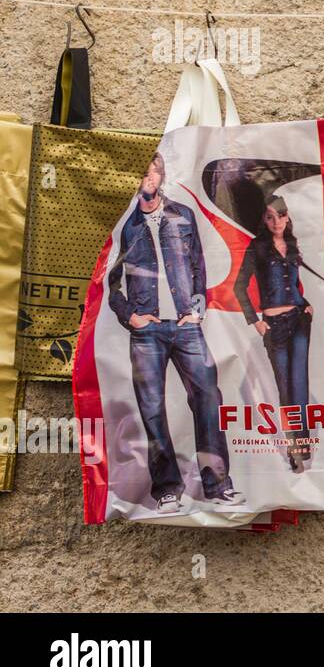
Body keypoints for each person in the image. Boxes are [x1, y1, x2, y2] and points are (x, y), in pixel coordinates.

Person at [107, 152, 245, 513]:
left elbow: (198, 265)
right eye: (141, 173)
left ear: (160, 175)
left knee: (208, 400)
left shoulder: (182, 214)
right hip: (147, 332)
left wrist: (197, 309)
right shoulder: (125, 225)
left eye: (152, 171)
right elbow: (112, 282)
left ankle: (218, 485)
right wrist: (130, 316)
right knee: (152, 408)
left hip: (186, 328)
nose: (147, 178)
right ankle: (168, 489)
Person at [233, 195, 315, 472]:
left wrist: (306, 304)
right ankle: (293, 444)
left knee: (299, 382)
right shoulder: (256, 247)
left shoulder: (292, 244)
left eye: (280, 215)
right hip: (274, 325)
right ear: (264, 220)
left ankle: (301, 445)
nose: (276, 221)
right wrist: (254, 321)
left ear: (287, 217)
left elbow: (293, 283)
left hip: (299, 320)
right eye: (270, 216)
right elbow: (239, 286)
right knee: (285, 386)